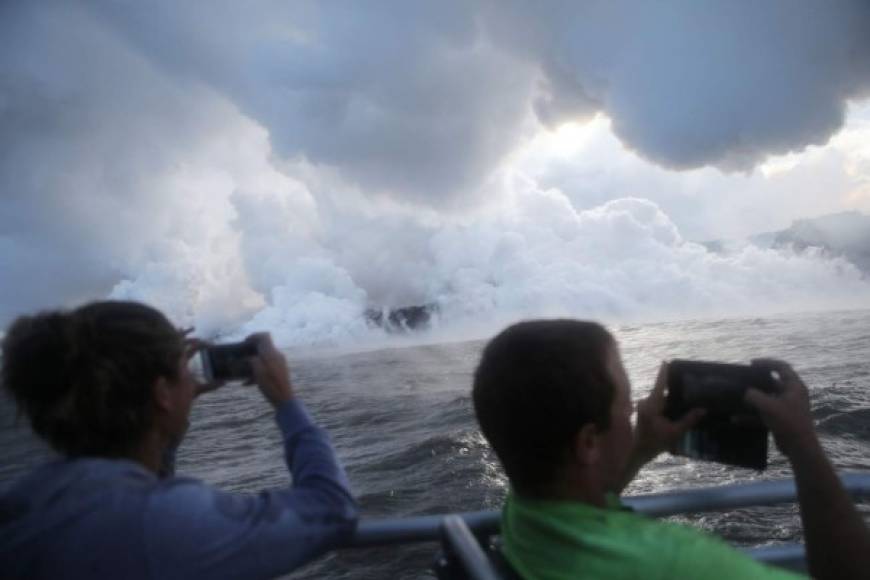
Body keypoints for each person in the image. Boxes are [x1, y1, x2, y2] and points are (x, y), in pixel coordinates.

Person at [472, 319, 870, 580]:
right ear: (589, 442)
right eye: (628, 407)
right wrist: (804, 445)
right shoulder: (678, 564)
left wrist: (643, 448)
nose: (637, 412)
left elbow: (580, 486)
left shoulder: (524, 513)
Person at [0, 300, 357, 579]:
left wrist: (166, 419)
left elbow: (133, 488)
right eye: (182, 373)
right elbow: (331, 510)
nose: (191, 380)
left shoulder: (25, 501)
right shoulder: (161, 521)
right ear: (161, 393)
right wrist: (285, 400)